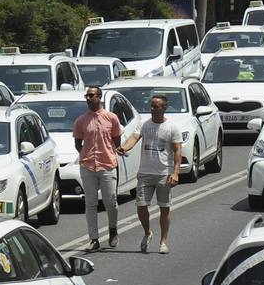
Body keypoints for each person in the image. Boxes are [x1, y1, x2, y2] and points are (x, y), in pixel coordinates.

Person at [117, 94, 183, 255]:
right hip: (145, 172)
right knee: (141, 205)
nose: (153, 109)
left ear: (164, 108)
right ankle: (147, 233)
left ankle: (163, 242)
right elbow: (134, 137)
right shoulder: (145, 124)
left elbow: (177, 151)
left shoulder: (172, 128)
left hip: (163, 173)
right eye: (151, 106)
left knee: (164, 208)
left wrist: (175, 172)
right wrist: (125, 147)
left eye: (156, 106)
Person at [73, 86, 123, 251]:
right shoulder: (81, 120)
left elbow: (117, 141)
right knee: (91, 203)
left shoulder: (111, 118)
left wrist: (109, 153)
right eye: (86, 95)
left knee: (111, 201)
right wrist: (86, 155)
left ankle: (113, 229)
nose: (88, 98)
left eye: (91, 95)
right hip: (88, 166)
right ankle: (94, 239)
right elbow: (77, 143)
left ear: (99, 97)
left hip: (107, 165)